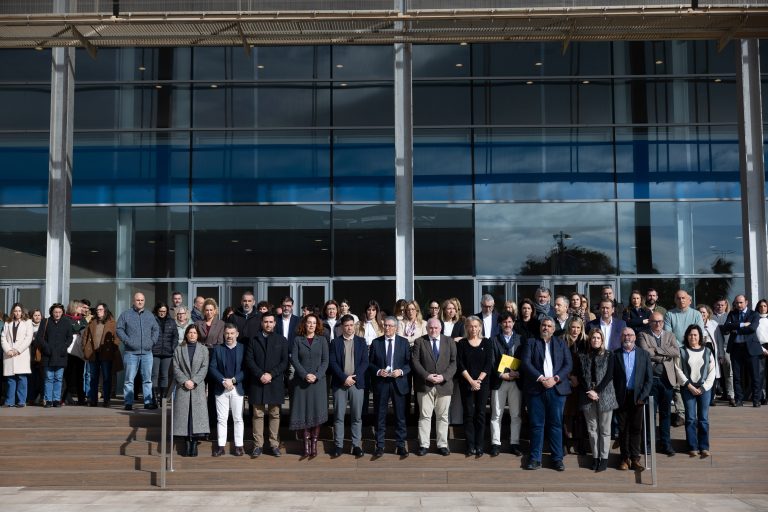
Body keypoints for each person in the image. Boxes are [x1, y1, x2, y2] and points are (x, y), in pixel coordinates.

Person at [521, 317, 573, 471]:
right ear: (540, 327)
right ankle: (535, 458)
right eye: (543, 325)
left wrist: (555, 379)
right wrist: (541, 378)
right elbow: (526, 363)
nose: (546, 328)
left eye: (549, 326)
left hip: (556, 390)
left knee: (556, 424)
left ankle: (557, 459)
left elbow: (568, 364)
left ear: (554, 329)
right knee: (537, 425)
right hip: (536, 389)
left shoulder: (561, 344)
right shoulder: (531, 342)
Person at [244, 311, 289, 458]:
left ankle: (274, 444)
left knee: (275, 414)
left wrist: (271, 374)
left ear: (275, 323)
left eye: (271, 322)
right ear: (261, 323)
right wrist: (260, 374)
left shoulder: (281, 340)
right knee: (258, 414)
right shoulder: (253, 339)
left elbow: (284, 362)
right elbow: (249, 360)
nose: (268, 324)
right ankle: (258, 445)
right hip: (257, 382)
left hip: (274, 381)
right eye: (266, 322)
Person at [411, 317, 457, 457]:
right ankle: (424, 445)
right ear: (427, 328)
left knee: (442, 416)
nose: (433, 330)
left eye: (436, 328)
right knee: (425, 416)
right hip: (425, 385)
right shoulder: (420, 341)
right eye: (431, 328)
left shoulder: (449, 341)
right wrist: (427, 376)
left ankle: (442, 445)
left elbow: (454, 362)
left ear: (440, 328)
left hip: (444, 384)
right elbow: (415, 361)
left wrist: (444, 376)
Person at [637, 312, 679, 456]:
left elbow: (676, 351)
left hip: (667, 380)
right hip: (651, 380)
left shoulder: (670, 335)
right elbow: (645, 352)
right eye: (655, 321)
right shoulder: (643, 335)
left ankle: (666, 444)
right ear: (650, 322)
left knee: (666, 414)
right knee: (650, 414)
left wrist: (656, 351)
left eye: (660, 321)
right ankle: (648, 444)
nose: (658, 324)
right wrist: (664, 354)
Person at [577, 329, 618, 472]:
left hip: (605, 394)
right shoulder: (583, 355)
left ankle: (604, 458)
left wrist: (597, 391)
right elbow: (580, 375)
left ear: (602, 340)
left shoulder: (609, 355)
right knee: (592, 429)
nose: (595, 340)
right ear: (590, 340)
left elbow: (609, 375)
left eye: (598, 338)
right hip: (587, 395)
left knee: (605, 429)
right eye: (593, 338)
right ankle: (595, 457)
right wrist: (590, 391)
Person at [370, 317, 411, 458]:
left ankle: (400, 446)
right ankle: (380, 446)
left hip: (398, 383)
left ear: (396, 327)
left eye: (390, 326)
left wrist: (401, 371)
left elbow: (409, 363)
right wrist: (378, 371)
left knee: (400, 417)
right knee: (380, 416)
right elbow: (370, 364)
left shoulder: (404, 342)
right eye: (385, 325)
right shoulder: (376, 343)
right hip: (381, 383)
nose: (387, 328)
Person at [613, 327, 653, 471]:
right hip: (621, 397)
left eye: (630, 335)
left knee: (636, 429)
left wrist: (643, 397)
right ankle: (624, 458)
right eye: (624, 335)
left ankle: (635, 459)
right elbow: (611, 378)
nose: (627, 337)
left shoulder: (644, 355)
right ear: (620, 338)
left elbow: (649, 379)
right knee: (623, 429)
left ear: (635, 337)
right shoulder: (615, 355)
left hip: (638, 398)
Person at [328, 314, 368, 458]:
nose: (349, 328)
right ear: (342, 327)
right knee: (339, 416)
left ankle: (356, 445)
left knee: (356, 416)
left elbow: (365, 362)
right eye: (346, 325)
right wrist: (344, 377)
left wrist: (353, 377)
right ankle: (338, 445)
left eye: (351, 325)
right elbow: (332, 363)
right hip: (340, 383)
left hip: (356, 384)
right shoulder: (335, 343)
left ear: (354, 326)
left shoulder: (361, 342)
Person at [289, 314, 329, 459]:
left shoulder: (323, 340)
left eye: (314, 323)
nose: (311, 325)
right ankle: (305, 447)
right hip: (302, 382)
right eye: (309, 323)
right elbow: (294, 359)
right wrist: (305, 374)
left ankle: (314, 446)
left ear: (317, 325)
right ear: (304, 324)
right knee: (304, 412)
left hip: (318, 382)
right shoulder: (298, 340)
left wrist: (316, 375)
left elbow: (326, 361)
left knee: (316, 412)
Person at [676, 324, 716, 458]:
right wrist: (689, 386)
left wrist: (703, 388)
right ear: (686, 336)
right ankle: (692, 446)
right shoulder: (681, 351)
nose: (693, 337)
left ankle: (704, 447)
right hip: (688, 389)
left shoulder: (708, 351)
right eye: (690, 334)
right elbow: (678, 370)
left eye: (695, 335)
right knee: (691, 418)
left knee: (703, 419)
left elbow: (712, 372)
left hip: (704, 389)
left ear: (700, 337)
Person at [456, 316, 493, 457]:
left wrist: (478, 381)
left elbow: (488, 364)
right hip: (466, 383)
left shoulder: (487, 343)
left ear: (480, 327)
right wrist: (471, 381)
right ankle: (470, 445)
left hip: (482, 384)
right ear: (466, 328)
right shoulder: (462, 344)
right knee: (468, 414)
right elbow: (460, 364)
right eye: (471, 326)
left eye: (476, 326)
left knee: (481, 414)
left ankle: (479, 445)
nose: (473, 329)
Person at [116, 292, 159, 411]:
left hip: (147, 352)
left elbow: (156, 329)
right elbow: (119, 329)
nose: (140, 302)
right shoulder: (126, 314)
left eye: (142, 300)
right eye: (138, 300)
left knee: (147, 379)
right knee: (129, 379)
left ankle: (148, 402)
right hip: (131, 353)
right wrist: (127, 341)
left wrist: (152, 342)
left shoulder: (150, 315)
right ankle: (128, 402)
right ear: (133, 301)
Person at [489, 310, 523, 457]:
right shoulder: (493, 340)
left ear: (514, 323)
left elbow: (525, 359)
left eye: (510, 322)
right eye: (504, 322)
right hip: (499, 381)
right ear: (500, 324)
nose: (507, 324)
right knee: (497, 414)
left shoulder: (521, 339)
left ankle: (514, 443)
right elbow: (491, 362)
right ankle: (496, 443)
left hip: (516, 381)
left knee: (516, 414)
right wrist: (501, 374)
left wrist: (518, 373)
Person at [209, 323, 246, 456]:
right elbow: (212, 367)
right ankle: (220, 446)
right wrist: (223, 381)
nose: (229, 336)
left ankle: (239, 446)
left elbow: (245, 369)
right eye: (227, 333)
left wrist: (234, 380)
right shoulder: (217, 349)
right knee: (221, 418)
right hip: (221, 388)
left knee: (238, 418)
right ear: (224, 334)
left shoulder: (243, 348)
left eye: (232, 333)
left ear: (237, 334)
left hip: (237, 387)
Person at [173, 324, 210, 457]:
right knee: (184, 417)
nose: (192, 335)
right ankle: (186, 443)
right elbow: (175, 367)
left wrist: (194, 381)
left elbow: (204, 368)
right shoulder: (179, 349)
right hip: (183, 387)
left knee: (196, 417)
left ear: (198, 335)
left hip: (197, 387)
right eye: (190, 332)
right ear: (186, 334)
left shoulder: (204, 349)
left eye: (194, 332)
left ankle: (194, 444)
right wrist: (184, 381)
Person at [721, 294, 762, 407]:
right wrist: (742, 324)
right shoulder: (732, 313)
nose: (738, 305)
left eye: (741, 302)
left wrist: (736, 329)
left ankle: (756, 400)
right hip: (736, 348)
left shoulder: (754, 314)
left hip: (751, 349)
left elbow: (752, 328)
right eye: (737, 303)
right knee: (737, 376)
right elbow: (726, 327)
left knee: (755, 376)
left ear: (746, 302)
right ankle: (739, 400)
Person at [82, 303, 121, 408]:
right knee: (93, 378)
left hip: (106, 353)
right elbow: (85, 336)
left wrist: (114, 348)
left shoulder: (112, 323)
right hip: (93, 354)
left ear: (105, 311)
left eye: (100, 309)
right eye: (97, 309)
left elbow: (117, 338)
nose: (98, 311)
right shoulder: (92, 322)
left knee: (107, 378)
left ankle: (106, 400)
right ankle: (93, 400)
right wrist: (85, 348)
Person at [37, 303, 72, 408]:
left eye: (59, 312)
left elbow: (69, 338)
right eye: (55, 312)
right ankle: (48, 400)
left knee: (58, 378)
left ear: (62, 313)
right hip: (48, 355)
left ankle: (56, 399)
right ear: (52, 312)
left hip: (61, 355)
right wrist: (46, 348)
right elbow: (39, 338)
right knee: (48, 378)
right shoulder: (45, 321)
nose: (57, 314)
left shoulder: (66, 322)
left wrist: (64, 347)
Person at [1, 303, 33, 407]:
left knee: (21, 378)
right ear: (12, 312)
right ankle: (10, 401)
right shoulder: (7, 322)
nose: (17, 313)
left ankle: (21, 401)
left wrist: (17, 350)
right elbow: (3, 338)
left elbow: (28, 338)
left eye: (19, 311)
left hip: (21, 354)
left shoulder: (27, 322)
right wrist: (8, 350)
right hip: (9, 354)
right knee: (10, 379)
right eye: (15, 311)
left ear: (22, 312)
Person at [698, 304, 726, 407]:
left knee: (712, 374)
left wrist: (721, 355)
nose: (702, 314)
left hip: (711, 351)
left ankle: (711, 398)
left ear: (708, 314)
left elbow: (719, 341)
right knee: (702, 375)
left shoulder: (714, 324)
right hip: (699, 351)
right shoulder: (695, 323)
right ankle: (702, 396)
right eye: (700, 312)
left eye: (704, 312)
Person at [152, 302, 177, 407]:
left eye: (164, 311)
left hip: (167, 353)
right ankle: (154, 398)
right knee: (154, 375)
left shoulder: (171, 322)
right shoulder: (152, 320)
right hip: (154, 352)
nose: (162, 313)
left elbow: (175, 336)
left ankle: (163, 398)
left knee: (164, 375)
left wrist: (172, 347)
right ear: (157, 311)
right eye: (160, 311)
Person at [63, 300, 87, 405]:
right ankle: (64, 398)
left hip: (79, 351)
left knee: (80, 376)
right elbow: (74, 328)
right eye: (79, 307)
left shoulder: (83, 319)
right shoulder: (66, 319)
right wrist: (79, 328)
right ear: (74, 307)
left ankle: (81, 399)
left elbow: (85, 329)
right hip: (69, 351)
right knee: (67, 376)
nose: (81, 309)